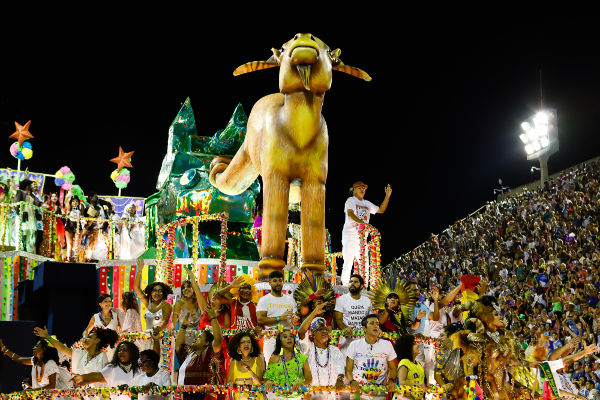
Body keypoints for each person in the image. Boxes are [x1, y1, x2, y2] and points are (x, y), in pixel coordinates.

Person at [340, 181, 391, 286]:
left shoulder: (367, 203)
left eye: (364, 188)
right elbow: (350, 214)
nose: (362, 190)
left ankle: (365, 286)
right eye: (360, 188)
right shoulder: (351, 200)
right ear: (353, 190)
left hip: (362, 237)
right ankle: (345, 285)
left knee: (365, 263)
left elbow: (381, 210)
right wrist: (363, 223)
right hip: (350, 234)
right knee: (348, 261)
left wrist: (387, 196)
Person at [34, 326, 118, 388]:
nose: (85, 339)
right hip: (78, 396)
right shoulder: (81, 354)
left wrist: (83, 378)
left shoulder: (102, 357)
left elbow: (102, 377)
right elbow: (63, 348)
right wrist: (47, 337)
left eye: (89, 337)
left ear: (97, 340)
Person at [176, 305, 225, 400]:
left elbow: (218, 340)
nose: (195, 338)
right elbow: (179, 346)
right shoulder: (189, 355)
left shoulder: (208, 354)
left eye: (199, 337)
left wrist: (213, 318)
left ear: (207, 342)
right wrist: (183, 326)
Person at [297, 303, 346, 396]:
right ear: (313, 334)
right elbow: (301, 331)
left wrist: (340, 379)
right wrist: (314, 312)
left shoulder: (334, 350)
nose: (324, 331)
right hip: (312, 395)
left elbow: (341, 367)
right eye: (320, 329)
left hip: (331, 395)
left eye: (325, 329)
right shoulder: (308, 348)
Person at [345, 314, 397, 398]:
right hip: (358, 392)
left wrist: (391, 381)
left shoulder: (387, 344)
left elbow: (393, 368)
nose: (376, 326)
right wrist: (352, 381)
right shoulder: (354, 344)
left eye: (377, 323)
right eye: (372, 323)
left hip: (379, 392)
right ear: (364, 328)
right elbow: (348, 370)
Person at [72, 341, 142, 400]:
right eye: (119, 350)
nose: (121, 352)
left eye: (125, 350)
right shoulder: (112, 368)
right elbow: (98, 376)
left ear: (132, 352)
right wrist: (83, 377)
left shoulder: (140, 367)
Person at [257, 271, 298, 361]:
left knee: (290, 368)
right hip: (271, 339)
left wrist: (295, 319)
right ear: (270, 283)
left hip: (288, 339)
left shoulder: (290, 300)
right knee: (272, 369)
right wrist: (280, 318)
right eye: (275, 281)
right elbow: (260, 320)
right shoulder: (264, 300)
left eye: (280, 280)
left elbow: (295, 319)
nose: (278, 283)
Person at [0, 337, 71, 390]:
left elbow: (52, 386)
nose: (33, 348)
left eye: (37, 346)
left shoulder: (50, 364)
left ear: (44, 349)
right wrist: (3, 349)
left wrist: (32, 391)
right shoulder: (34, 361)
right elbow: (18, 359)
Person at [263, 329, 312, 400]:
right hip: (279, 397)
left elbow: (309, 379)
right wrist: (269, 381)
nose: (289, 338)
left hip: (298, 397)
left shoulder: (302, 358)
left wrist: (301, 384)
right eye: (285, 337)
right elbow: (266, 378)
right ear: (280, 342)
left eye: (291, 336)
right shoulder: (274, 358)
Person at [334, 274, 373, 353]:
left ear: (361, 286)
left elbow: (371, 319)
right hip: (347, 342)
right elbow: (338, 319)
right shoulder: (341, 299)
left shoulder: (367, 301)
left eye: (356, 282)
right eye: (351, 281)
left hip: (364, 341)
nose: (352, 283)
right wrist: (345, 328)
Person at [134, 258, 173, 335]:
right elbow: (136, 288)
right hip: (146, 337)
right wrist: (139, 271)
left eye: (160, 291)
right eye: (154, 290)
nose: (157, 293)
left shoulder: (166, 305)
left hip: (159, 338)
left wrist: (159, 328)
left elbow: (165, 321)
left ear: (163, 293)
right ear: (150, 293)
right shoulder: (148, 303)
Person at [226, 332, 265, 400]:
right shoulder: (233, 362)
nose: (246, 344)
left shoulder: (258, 359)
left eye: (248, 342)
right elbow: (229, 383)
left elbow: (259, 385)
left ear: (252, 345)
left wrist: (250, 371)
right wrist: (230, 384)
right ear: (238, 347)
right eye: (243, 342)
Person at [84, 294, 121, 360]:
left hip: (113, 347)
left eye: (110, 301)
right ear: (100, 304)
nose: (108, 303)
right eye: (105, 301)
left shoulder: (116, 315)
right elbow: (87, 330)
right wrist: (85, 341)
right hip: (98, 347)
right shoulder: (95, 317)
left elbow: (123, 329)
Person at [174, 265, 203, 344]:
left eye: (188, 286)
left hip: (199, 341)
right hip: (183, 341)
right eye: (183, 287)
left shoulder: (199, 303)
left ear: (193, 288)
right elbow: (173, 322)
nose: (185, 289)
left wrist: (192, 277)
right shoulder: (179, 303)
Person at [393, 334, 425, 400]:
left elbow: (421, 382)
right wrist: (417, 385)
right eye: (414, 344)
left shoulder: (418, 364)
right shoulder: (404, 362)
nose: (418, 345)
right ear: (407, 348)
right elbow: (401, 382)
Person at [82, 191, 107, 262]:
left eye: (96, 196)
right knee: (91, 244)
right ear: (90, 198)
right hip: (94, 229)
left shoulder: (101, 206)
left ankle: (101, 259)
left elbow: (104, 216)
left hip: (102, 229)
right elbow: (90, 219)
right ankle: (87, 258)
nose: (96, 198)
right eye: (94, 197)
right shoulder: (89, 207)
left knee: (102, 246)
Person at [64, 196, 83, 261]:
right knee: (69, 243)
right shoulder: (69, 209)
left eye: (76, 201)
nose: (75, 202)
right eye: (73, 201)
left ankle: (76, 258)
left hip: (78, 227)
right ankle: (68, 258)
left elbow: (83, 216)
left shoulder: (81, 208)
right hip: (69, 227)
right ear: (71, 202)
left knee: (77, 244)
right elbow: (67, 203)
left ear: (78, 202)